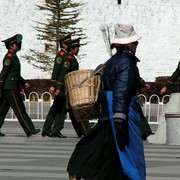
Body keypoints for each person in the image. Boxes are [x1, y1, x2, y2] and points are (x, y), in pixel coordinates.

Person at [67, 24, 146, 180]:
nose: (137, 44)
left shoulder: (114, 60)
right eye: (134, 42)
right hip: (122, 109)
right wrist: (119, 115)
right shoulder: (127, 63)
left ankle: (80, 169)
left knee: (108, 147)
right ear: (127, 44)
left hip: (110, 108)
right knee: (129, 151)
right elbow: (121, 90)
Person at [0, 34, 41, 137]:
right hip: (10, 88)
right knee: (19, 109)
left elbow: (15, 73)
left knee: (2, 110)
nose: (19, 45)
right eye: (17, 44)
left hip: (9, 87)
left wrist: (23, 83)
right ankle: (29, 129)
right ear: (11, 45)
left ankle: (29, 128)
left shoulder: (13, 56)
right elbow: (4, 73)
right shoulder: (9, 57)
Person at [56, 38, 91, 137]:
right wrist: (58, 87)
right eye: (76, 48)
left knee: (73, 111)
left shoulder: (71, 58)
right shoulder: (68, 59)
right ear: (71, 49)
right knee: (77, 109)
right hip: (69, 88)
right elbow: (63, 73)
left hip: (72, 88)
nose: (78, 50)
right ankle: (86, 131)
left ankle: (81, 131)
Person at [42, 34, 72, 138]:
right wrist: (55, 86)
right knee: (60, 108)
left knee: (56, 108)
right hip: (61, 86)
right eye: (68, 43)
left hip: (61, 86)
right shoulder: (61, 56)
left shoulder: (65, 55)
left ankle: (47, 129)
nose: (70, 45)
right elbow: (57, 72)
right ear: (63, 45)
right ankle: (54, 130)